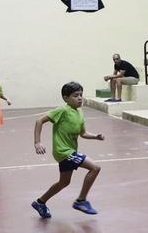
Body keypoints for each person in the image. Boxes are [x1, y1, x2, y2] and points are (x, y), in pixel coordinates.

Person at [30, 82, 104, 219]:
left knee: (64, 182)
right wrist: (37, 142)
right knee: (95, 168)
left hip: (69, 151)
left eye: (81, 95)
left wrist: (95, 137)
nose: (79, 98)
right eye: (75, 95)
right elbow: (39, 121)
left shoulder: (80, 112)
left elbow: (83, 133)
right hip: (63, 151)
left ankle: (40, 202)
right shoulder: (62, 110)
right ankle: (81, 201)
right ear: (66, 98)